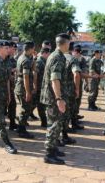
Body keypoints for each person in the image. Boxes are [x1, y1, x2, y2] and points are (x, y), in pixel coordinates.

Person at [41, 33, 71, 165]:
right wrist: (59, 98)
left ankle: (53, 149)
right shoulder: (57, 57)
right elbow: (55, 79)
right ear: (65, 43)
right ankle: (49, 154)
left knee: (56, 124)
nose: (69, 46)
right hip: (54, 98)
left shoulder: (55, 55)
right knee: (54, 125)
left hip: (53, 97)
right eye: (69, 43)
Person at [15, 41, 36, 139]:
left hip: (20, 86)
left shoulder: (22, 57)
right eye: (33, 48)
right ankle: (21, 130)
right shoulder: (26, 60)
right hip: (23, 88)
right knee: (25, 109)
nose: (34, 50)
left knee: (25, 108)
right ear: (30, 49)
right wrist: (28, 91)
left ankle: (20, 127)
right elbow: (26, 77)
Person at [33, 47, 51, 127]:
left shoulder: (44, 61)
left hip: (43, 86)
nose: (49, 55)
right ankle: (44, 121)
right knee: (40, 105)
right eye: (48, 54)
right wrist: (35, 87)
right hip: (39, 87)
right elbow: (35, 74)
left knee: (40, 104)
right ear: (44, 53)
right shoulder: (39, 62)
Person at [7, 41, 19, 131]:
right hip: (2, 87)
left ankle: (12, 123)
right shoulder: (4, 58)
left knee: (12, 105)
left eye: (15, 49)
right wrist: (11, 71)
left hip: (11, 86)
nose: (14, 51)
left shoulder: (13, 60)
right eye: (13, 49)